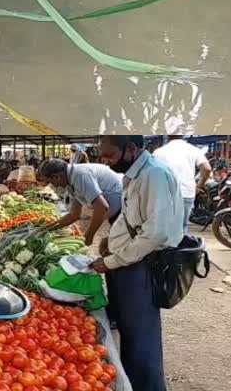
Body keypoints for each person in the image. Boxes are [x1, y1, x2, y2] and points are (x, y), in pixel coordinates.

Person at [90, 135, 184, 391]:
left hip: (143, 265)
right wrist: (112, 238)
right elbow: (133, 216)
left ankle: (148, 386)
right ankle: (132, 382)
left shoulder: (154, 176)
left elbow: (156, 233)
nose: (103, 161)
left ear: (130, 148)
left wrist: (114, 261)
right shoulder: (134, 173)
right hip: (130, 262)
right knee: (130, 333)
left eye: (109, 155)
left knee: (141, 337)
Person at [37, 159, 122, 250]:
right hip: (116, 209)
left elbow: (102, 206)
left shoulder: (80, 176)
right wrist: (46, 229)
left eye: (50, 182)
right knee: (114, 243)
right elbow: (74, 215)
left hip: (124, 205)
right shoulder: (70, 182)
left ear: (56, 176)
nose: (53, 186)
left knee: (119, 245)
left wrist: (89, 236)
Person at [153, 136, 212, 234]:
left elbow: (153, 173)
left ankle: (169, 248)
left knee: (165, 227)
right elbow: (207, 169)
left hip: (166, 193)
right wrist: (199, 186)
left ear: (167, 136)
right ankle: (182, 246)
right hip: (187, 193)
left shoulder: (158, 152)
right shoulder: (193, 150)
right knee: (182, 227)